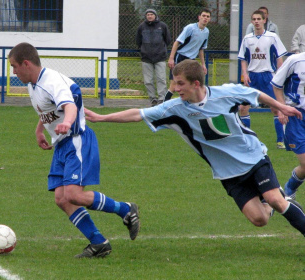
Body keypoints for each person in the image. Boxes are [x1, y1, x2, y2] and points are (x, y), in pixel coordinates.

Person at [85, 59, 305, 238]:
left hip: (253, 157)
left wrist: (280, 106)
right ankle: (275, 197)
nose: (175, 88)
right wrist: (101, 118)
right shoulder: (175, 109)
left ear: (196, 84)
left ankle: (277, 199)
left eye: (180, 84)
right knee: (260, 219)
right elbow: (137, 114)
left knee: (276, 201)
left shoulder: (225, 93)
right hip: (228, 172)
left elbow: (255, 95)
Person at [8, 42, 140, 258]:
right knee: (61, 198)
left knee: (73, 195)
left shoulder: (51, 81)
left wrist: (68, 123)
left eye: (14, 67)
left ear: (26, 63)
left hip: (77, 139)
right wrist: (39, 130)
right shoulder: (33, 84)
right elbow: (48, 109)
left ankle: (126, 209)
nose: (13, 72)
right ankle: (99, 243)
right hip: (61, 143)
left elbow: (69, 106)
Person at [237, 10, 287, 149]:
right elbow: (242, 59)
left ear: (264, 20)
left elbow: (279, 58)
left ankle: (280, 141)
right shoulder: (247, 39)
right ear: (252, 21)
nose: (257, 21)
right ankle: (246, 139)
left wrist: (279, 75)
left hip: (268, 76)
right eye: (254, 19)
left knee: (276, 108)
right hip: (252, 77)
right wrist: (245, 74)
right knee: (243, 108)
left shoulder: (272, 37)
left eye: (259, 18)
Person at [271, 52, 305, 199]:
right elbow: (276, 85)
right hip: (295, 116)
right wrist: (282, 108)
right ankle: (290, 187)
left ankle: (290, 188)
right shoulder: (295, 60)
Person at [165, 8, 210, 101]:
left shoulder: (206, 32)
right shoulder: (190, 28)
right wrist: (171, 58)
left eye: (208, 16)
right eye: (203, 16)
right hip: (181, 57)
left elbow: (201, 49)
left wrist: (203, 64)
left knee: (191, 84)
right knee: (174, 85)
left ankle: (190, 106)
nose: (205, 18)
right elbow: (177, 42)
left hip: (191, 60)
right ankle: (163, 106)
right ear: (199, 17)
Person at [135, 8, 171, 106]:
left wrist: (161, 50)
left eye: (151, 14)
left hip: (160, 57)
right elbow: (138, 41)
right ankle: (152, 99)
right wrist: (143, 51)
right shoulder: (141, 27)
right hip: (146, 58)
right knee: (148, 81)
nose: (149, 16)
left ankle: (161, 99)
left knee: (161, 79)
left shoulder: (162, 26)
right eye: (148, 15)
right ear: (146, 16)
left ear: (155, 15)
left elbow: (168, 40)